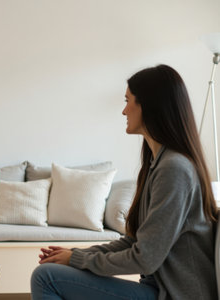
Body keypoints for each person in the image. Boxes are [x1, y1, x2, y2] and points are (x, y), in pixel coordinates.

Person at [30, 64, 218, 300]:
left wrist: (76, 259)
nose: (124, 111)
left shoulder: (174, 169)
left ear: (149, 106)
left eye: (128, 100)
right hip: (158, 290)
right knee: (51, 272)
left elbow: (145, 259)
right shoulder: (158, 164)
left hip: (175, 295)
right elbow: (133, 242)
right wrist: (75, 254)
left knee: (45, 277)